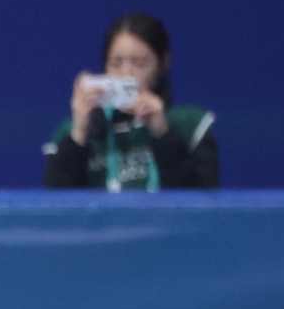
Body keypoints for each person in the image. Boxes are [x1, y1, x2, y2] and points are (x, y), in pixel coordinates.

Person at [43, 12, 218, 190]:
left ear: (163, 63)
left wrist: (163, 134)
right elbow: (55, 206)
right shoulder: (72, 132)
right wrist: (78, 134)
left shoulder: (188, 125)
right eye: (116, 63)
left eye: (140, 63)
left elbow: (202, 205)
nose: (126, 73)